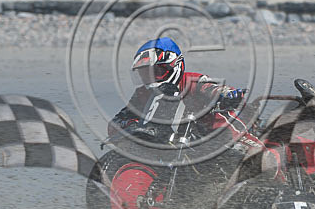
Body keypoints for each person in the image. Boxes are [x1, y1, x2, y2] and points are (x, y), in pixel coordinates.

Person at [109, 37, 282, 175]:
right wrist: (131, 130)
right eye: (144, 73)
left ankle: (285, 188)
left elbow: (214, 88)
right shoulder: (143, 93)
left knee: (265, 159)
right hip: (178, 141)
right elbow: (117, 122)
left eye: (156, 71)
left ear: (174, 66)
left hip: (219, 131)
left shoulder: (193, 81)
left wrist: (228, 94)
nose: (151, 78)